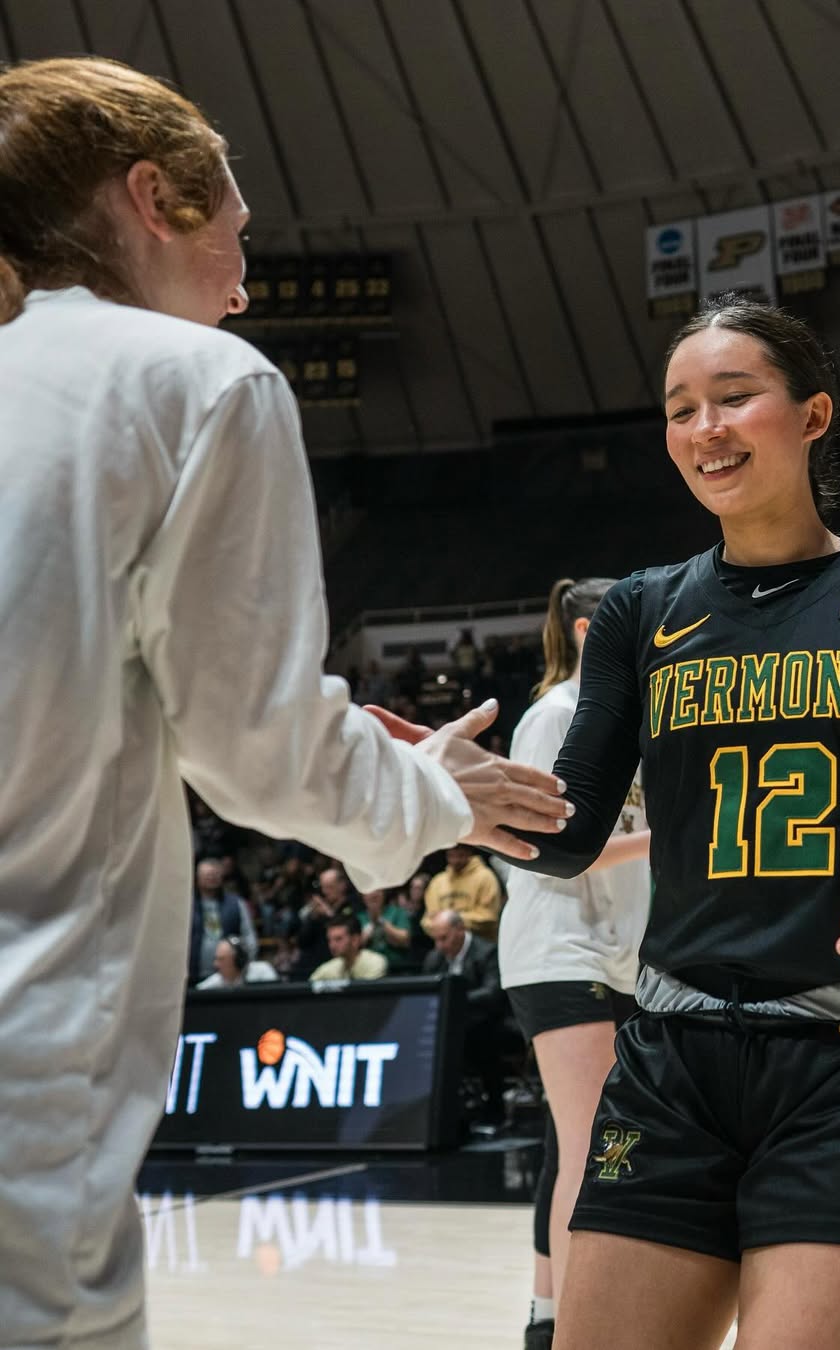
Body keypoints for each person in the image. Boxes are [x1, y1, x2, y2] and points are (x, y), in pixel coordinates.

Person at [0, 56, 570, 1350]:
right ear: (153, 196)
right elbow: (252, 752)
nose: (246, 286)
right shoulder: (197, 380)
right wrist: (431, 792)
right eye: (240, 235)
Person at [493, 295, 840, 1350]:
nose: (705, 428)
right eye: (680, 409)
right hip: (672, 1062)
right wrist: (451, 795)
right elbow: (571, 835)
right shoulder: (643, 611)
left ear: (812, 414)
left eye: (734, 397)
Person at [499, 577, 652, 1350]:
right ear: (593, 632)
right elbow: (543, 849)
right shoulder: (554, 716)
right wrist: (670, 835)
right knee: (595, 1147)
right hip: (559, 947)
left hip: (616, 956)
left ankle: (546, 1317)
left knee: (574, 1145)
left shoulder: (627, 725)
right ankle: (579, 1330)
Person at [423, 909, 509, 1126]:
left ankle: (494, 1108)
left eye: (444, 938)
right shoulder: (435, 957)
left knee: (479, 1038)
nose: (440, 946)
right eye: (436, 940)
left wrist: (455, 998)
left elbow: (493, 993)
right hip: (454, 1023)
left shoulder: (487, 952)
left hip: (489, 1021)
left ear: (460, 929)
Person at [188, 856, 258, 984]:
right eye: (207, 875)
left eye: (215, 874)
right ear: (197, 878)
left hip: (229, 977)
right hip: (193, 974)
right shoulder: (187, 905)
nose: (211, 878)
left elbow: (249, 937)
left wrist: (244, 965)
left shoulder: (236, 903)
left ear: (221, 877)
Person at [423, 843, 504, 941]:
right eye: (451, 856)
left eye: (460, 855)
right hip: (445, 945)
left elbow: (488, 917)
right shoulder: (438, 881)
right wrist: (445, 928)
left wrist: (450, 921)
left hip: (480, 943)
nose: (455, 860)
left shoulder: (485, 877)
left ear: (469, 853)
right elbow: (428, 920)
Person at [310, 913, 388, 983]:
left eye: (338, 939)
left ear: (355, 940)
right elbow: (308, 987)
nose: (332, 945)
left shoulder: (375, 962)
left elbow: (367, 992)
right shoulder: (330, 967)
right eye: (329, 940)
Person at [196, 935, 279, 989]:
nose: (216, 964)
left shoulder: (263, 971)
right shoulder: (215, 981)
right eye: (216, 959)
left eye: (221, 959)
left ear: (238, 960)